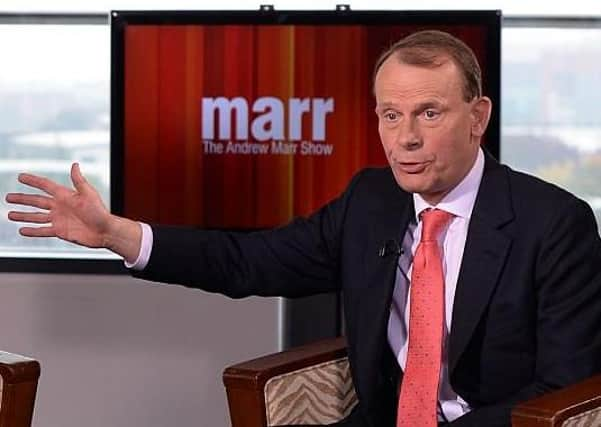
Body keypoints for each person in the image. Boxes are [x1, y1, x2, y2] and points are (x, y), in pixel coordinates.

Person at [6, 30, 601, 427]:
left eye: (429, 113)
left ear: (479, 117)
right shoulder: (369, 200)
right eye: (390, 116)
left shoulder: (555, 224)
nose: (406, 138)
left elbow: (563, 389)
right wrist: (116, 233)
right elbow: (248, 262)